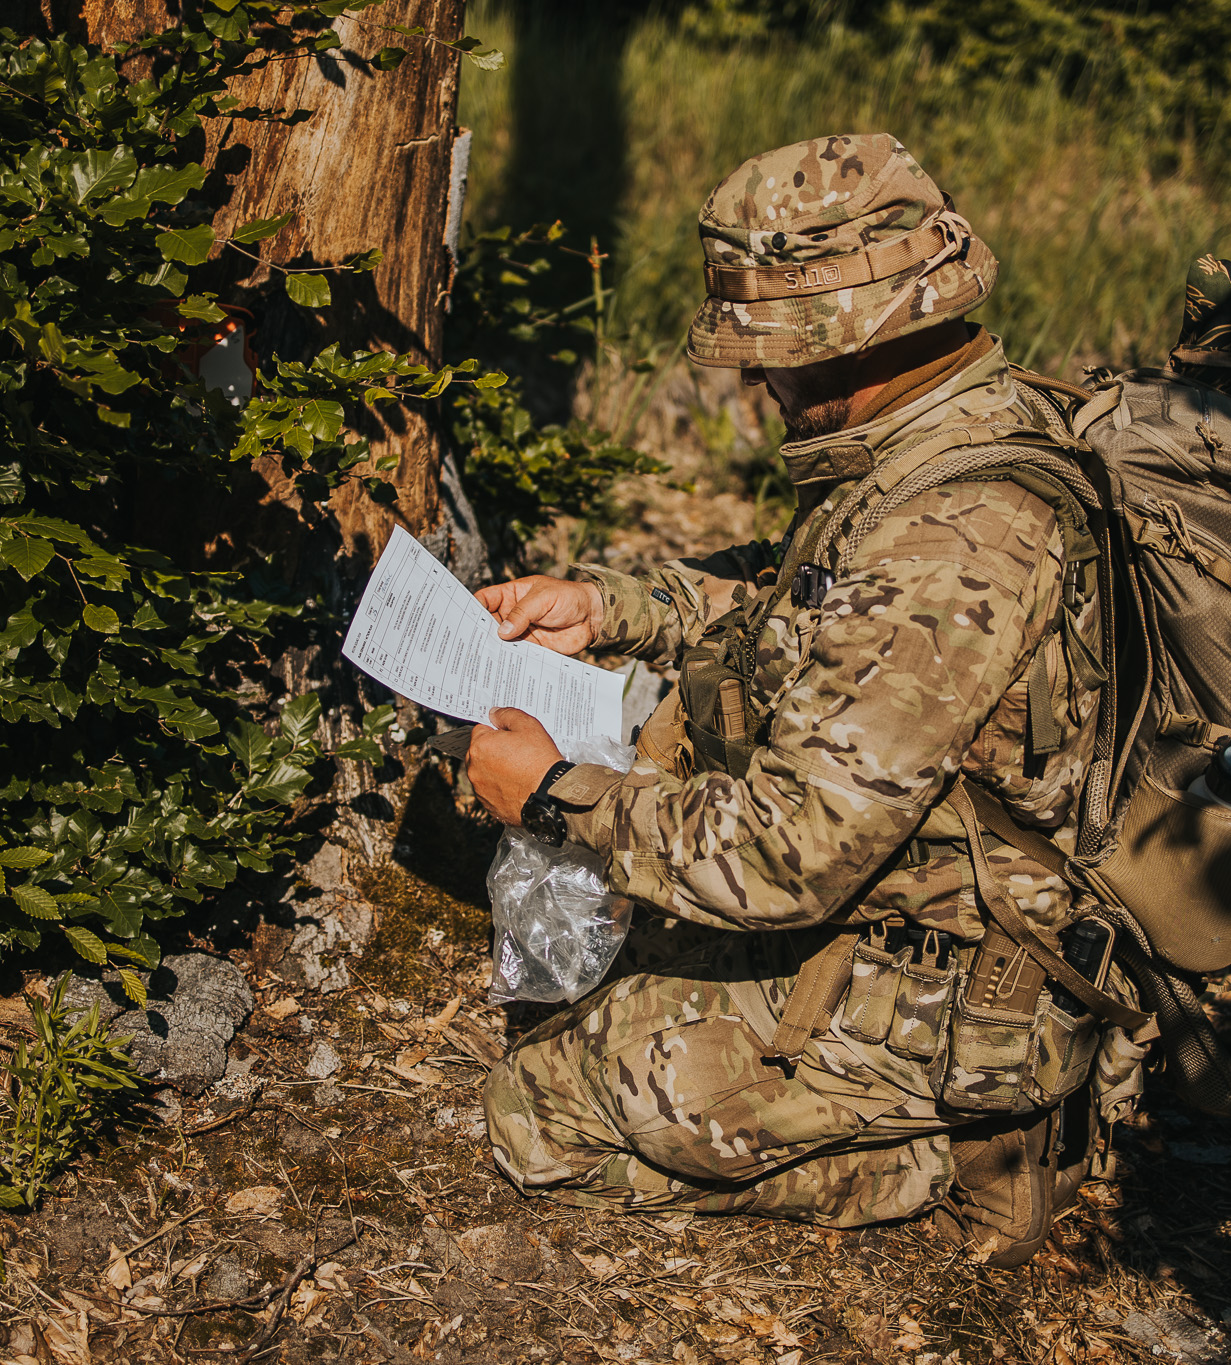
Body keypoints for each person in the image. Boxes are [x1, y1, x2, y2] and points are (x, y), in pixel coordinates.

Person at [463, 134, 1151, 1264]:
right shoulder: (940, 428)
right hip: (893, 888)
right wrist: (606, 606)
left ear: (850, 344)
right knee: (589, 1011)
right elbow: (806, 599)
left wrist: (552, 797)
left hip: (949, 972)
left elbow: (786, 858)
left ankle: (967, 1141)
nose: (754, 380)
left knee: (543, 1121)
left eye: (769, 351)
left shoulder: (954, 546)